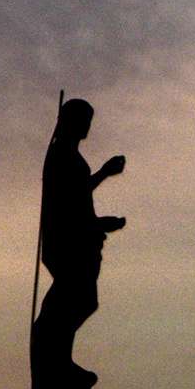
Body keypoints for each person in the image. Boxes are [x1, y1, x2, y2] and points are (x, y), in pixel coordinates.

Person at [33, 96, 128, 347]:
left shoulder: (68, 154)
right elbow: (68, 200)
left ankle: (58, 352)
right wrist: (95, 224)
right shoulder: (62, 154)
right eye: (83, 120)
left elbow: (78, 194)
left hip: (77, 237)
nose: (87, 126)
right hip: (68, 242)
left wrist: (97, 221)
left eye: (89, 121)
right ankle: (52, 350)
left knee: (80, 299)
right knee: (76, 298)